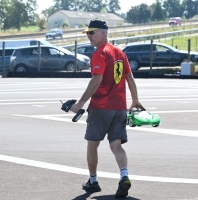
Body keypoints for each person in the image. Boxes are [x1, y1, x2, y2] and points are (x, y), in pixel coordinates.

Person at [70, 19, 146, 197]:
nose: (89, 36)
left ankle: (93, 181)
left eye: (92, 32)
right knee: (116, 146)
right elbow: (129, 76)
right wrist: (134, 99)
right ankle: (124, 176)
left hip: (101, 107)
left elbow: (96, 79)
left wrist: (80, 103)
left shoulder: (99, 53)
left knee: (92, 145)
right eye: (87, 33)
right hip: (119, 107)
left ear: (103, 32)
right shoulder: (120, 52)